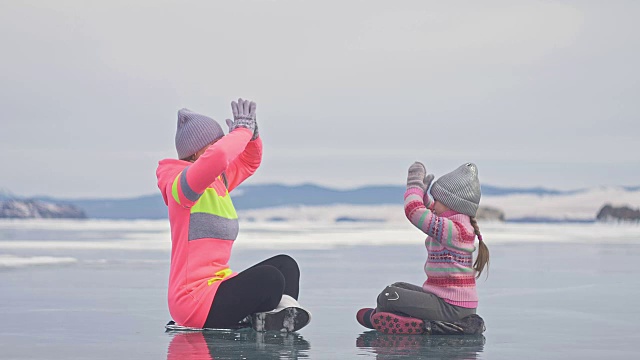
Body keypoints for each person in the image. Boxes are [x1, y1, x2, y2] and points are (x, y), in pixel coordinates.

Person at [156, 98, 310, 332]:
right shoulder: (181, 187)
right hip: (193, 300)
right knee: (270, 278)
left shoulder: (217, 183)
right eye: (217, 142)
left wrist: (252, 136)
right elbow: (218, 157)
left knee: (286, 266)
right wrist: (240, 132)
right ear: (198, 151)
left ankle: (279, 317)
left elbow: (248, 162)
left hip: (218, 286)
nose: (222, 145)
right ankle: (268, 318)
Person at [356, 162, 488, 335]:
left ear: (451, 203)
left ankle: (410, 323)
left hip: (451, 308)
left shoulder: (454, 229)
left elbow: (414, 211)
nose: (433, 204)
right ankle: (386, 318)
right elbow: (428, 211)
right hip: (447, 302)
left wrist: (414, 186)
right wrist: (424, 196)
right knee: (397, 287)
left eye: (437, 200)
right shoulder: (455, 225)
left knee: (388, 295)